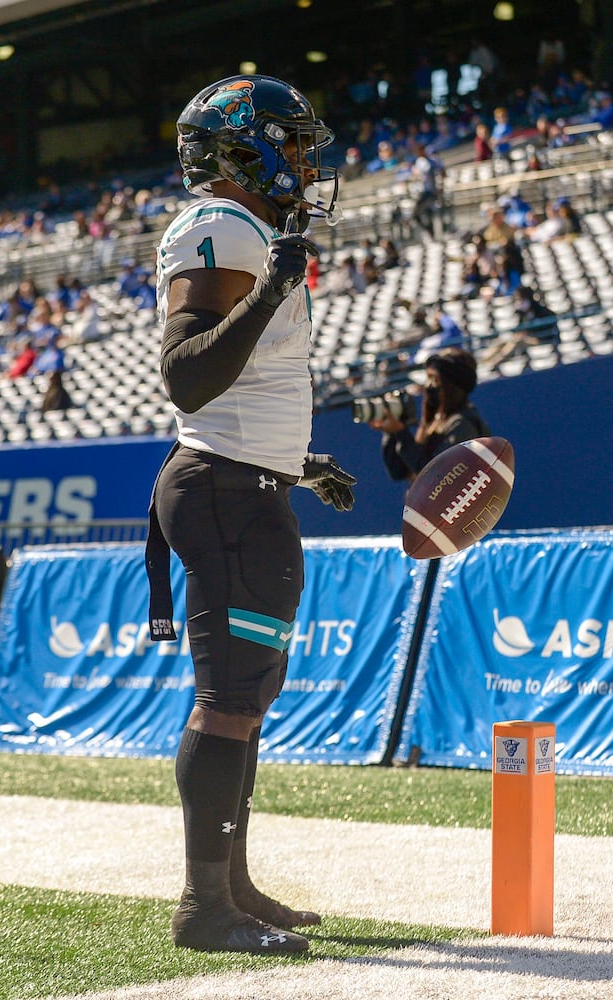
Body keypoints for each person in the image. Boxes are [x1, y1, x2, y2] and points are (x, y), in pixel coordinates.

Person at [143, 74, 356, 957]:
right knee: (230, 697)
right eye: (294, 142)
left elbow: (236, 396)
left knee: (249, 695)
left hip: (244, 480)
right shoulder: (223, 227)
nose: (307, 160)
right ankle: (203, 908)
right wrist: (271, 290)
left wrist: (295, 464)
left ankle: (230, 884)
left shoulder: (242, 230)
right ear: (247, 147)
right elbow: (187, 373)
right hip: (225, 490)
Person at [372, 347, 490, 481]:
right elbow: (398, 471)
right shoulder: (434, 420)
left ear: (451, 385)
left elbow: (436, 477)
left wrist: (400, 432)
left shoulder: (462, 424)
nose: (428, 386)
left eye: (433, 379)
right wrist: (391, 432)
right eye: (427, 378)